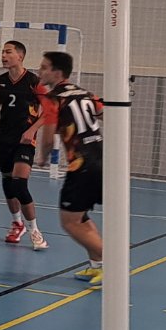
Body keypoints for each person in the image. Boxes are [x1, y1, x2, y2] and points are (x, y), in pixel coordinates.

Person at [0, 41, 51, 251]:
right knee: (8, 183)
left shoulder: (34, 82)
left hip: (25, 140)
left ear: (20, 56)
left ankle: (35, 231)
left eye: (8, 52)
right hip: (4, 139)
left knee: (19, 185)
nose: (3, 56)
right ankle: (17, 223)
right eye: (2, 52)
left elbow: (49, 111)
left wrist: (32, 130)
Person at [36, 51, 105, 288]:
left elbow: (48, 139)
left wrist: (43, 157)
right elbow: (105, 113)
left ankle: (113, 266)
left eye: (44, 67)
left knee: (69, 222)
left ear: (57, 73)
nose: (39, 71)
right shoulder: (85, 93)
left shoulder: (53, 98)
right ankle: (97, 265)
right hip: (100, 159)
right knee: (80, 217)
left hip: (82, 165)